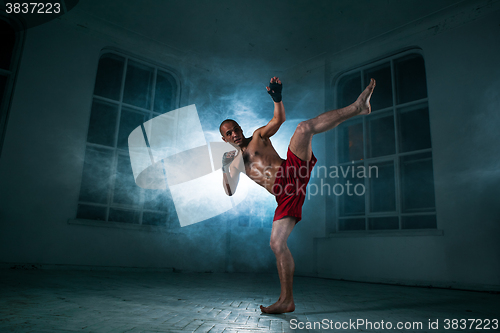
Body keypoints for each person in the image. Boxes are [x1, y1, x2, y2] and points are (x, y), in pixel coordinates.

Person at [219, 76, 376, 314]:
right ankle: (286, 300)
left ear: (241, 128)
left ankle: (357, 107)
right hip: (285, 193)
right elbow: (230, 191)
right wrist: (225, 168)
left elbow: (278, 119)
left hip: (291, 169)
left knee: (304, 127)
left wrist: (276, 98)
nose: (235, 134)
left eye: (236, 129)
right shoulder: (235, 162)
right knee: (276, 243)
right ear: (225, 139)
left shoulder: (259, 137)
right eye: (229, 133)